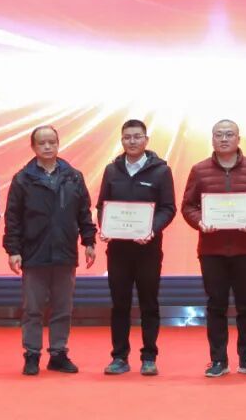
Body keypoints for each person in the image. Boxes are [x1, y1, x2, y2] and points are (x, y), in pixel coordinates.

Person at [181, 119, 246, 377]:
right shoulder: (199, 170)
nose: (224, 139)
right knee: (216, 306)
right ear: (212, 139)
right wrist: (200, 222)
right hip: (212, 250)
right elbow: (188, 206)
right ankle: (218, 360)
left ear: (238, 139)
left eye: (229, 134)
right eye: (219, 135)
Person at [4, 125, 97, 376]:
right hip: (34, 253)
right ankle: (32, 354)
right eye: (42, 143)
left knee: (63, 307)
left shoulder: (73, 176)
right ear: (33, 147)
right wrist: (13, 249)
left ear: (58, 143)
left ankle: (58, 353)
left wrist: (89, 241)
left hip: (65, 252)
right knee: (32, 309)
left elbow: (84, 212)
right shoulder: (22, 179)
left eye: (52, 142)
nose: (47, 146)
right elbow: (13, 218)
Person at [97, 119, 177, 376]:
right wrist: (105, 226)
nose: (132, 141)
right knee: (119, 304)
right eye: (127, 137)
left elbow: (168, 208)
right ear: (122, 141)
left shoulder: (161, 171)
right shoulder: (112, 170)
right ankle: (119, 357)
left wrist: (151, 229)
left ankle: (149, 356)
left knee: (149, 303)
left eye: (137, 136)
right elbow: (102, 206)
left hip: (148, 250)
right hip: (118, 250)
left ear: (146, 140)